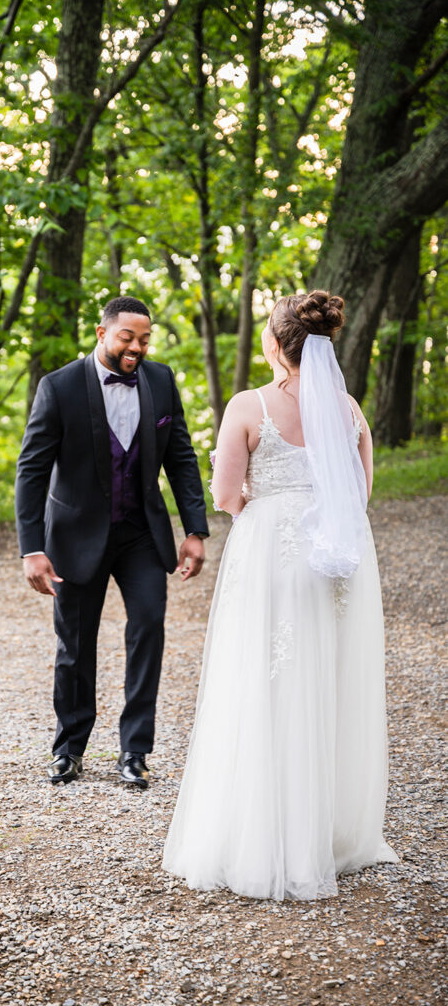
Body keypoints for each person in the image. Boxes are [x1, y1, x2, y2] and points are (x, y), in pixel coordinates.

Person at [163, 290, 398, 900]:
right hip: (335, 557)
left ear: (274, 343)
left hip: (270, 550)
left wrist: (267, 512)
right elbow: (362, 491)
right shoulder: (349, 412)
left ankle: (261, 836)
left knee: (261, 681)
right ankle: (326, 833)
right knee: (327, 679)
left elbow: (223, 495)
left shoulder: (248, 405)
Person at [16, 295, 209, 789]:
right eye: (127, 336)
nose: (137, 347)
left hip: (141, 533)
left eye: (145, 339)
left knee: (148, 630)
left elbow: (181, 459)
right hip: (76, 536)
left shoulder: (162, 381)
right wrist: (31, 548)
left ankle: (134, 751)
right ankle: (69, 748)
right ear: (102, 333)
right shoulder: (57, 387)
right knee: (75, 646)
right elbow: (32, 470)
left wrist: (194, 530)